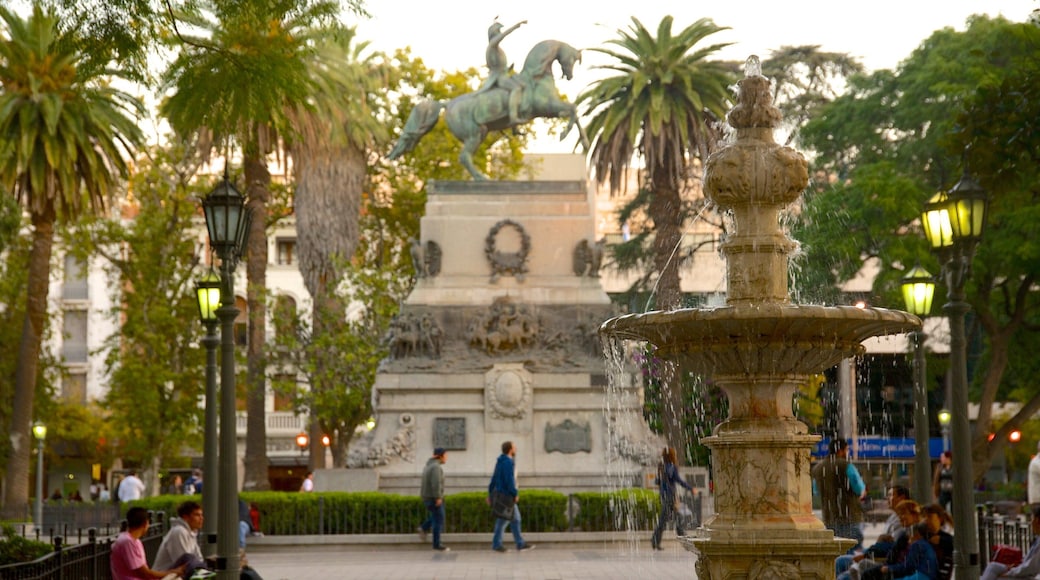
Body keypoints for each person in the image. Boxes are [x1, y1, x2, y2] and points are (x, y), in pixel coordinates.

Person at [812, 438, 867, 553]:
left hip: (829, 517)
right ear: (840, 451)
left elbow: (816, 491)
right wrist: (862, 492)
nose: (847, 453)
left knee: (837, 550)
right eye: (847, 450)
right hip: (850, 515)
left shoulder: (818, 468)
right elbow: (858, 488)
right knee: (853, 548)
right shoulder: (846, 465)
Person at [110, 506, 186, 579]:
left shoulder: (132, 540)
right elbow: (144, 573)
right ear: (145, 523)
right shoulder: (128, 542)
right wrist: (171, 573)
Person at [475, 19, 527, 124]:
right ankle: (513, 117)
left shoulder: (496, 49)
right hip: (499, 78)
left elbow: (498, 66)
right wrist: (516, 25)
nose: (500, 33)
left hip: (504, 75)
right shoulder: (492, 45)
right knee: (516, 88)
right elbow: (503, 36)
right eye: (498, 31)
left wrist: (508, 69)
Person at [487, 440, 534, 553]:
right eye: (514, 447)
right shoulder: (508, 462)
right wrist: (515, 493)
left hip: (501, 494)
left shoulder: (500, 461)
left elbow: (494, 478)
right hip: (507, 496)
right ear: (510, 450)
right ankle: (498, 544)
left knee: (515, 519)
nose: (516, 449)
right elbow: (509, 480)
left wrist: (490, 494)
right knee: (503, 521)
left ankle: (519, 543)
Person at [154, 500, 213, 579]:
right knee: (188, 558)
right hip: (165, 576)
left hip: (176, 575)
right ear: (185, 517)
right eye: (197, 515)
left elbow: (199, 558)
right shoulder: (179, 531)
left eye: (201, 515)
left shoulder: (191, 533)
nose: (201, 518)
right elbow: (184, 563)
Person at [980, 504, 1040, 580]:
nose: (1031, 523)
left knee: (997, 576)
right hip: (1022, 570)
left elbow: (1030, 568)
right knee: (993, 567)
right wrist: (1014, 566)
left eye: (1032, 519)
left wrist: (1010, 572)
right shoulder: (1038, 538)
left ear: (1037, 521)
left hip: (1029, 575)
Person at [651, 446, 694, 550]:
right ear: (672, 456)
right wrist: (690, 488)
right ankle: (685, 542)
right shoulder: (672, 467)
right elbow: (679, 480)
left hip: (663, 496)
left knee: (675, 518)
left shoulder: (661, 466)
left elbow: (657, 481)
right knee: (670, 519)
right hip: (670, 496)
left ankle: (656, 541)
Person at [418, 447, 450, 552]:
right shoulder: (436, 467)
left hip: (427, 497)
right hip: (433, 498)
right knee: (439, 519)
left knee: (437, 517)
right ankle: (436, 544)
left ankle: (423, 528)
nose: (446, 458)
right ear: (440, 456)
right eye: (445, 455)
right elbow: (436, 483)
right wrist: (438, 497)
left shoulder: (428, 466)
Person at [922, 503, 955, 580]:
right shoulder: (924, 534)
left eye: (929, 517)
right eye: (924, 517)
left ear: (940, 518)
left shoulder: (946, 537)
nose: (926, 520)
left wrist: (941, 541)